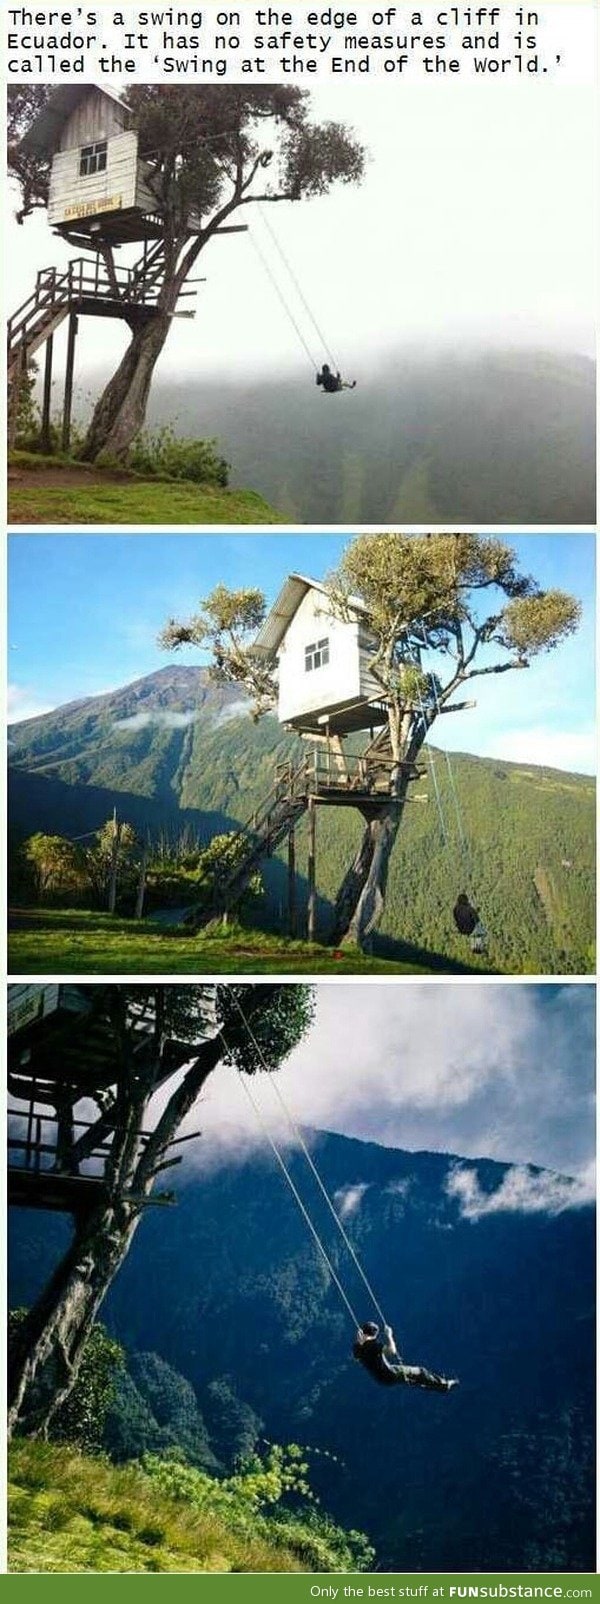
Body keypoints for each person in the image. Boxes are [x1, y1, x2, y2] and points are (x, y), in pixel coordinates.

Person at [353, 1322, 458, 1393]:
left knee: (413, 1377)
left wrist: (359, 1343)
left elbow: (357, 1357)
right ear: (375, 1335)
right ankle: (443, 1385)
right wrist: (389, 1335)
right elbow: (392, 1351)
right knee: (421, 1371)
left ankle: (435, 1385)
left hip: (380, 1379)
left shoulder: (357, 1348)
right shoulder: (374, 1345)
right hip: (391, 1373)